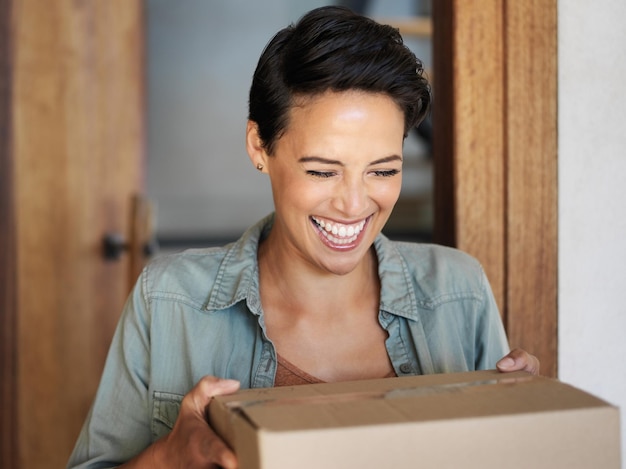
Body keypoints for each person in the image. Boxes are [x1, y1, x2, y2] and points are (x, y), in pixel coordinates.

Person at [67, 6, 539, 468]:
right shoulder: (167, 301)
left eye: (383, 170)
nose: (354, 205)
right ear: (259, 147)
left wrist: (530, 426)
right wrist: (168, 459)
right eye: (321, 171)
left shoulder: (460, 292)